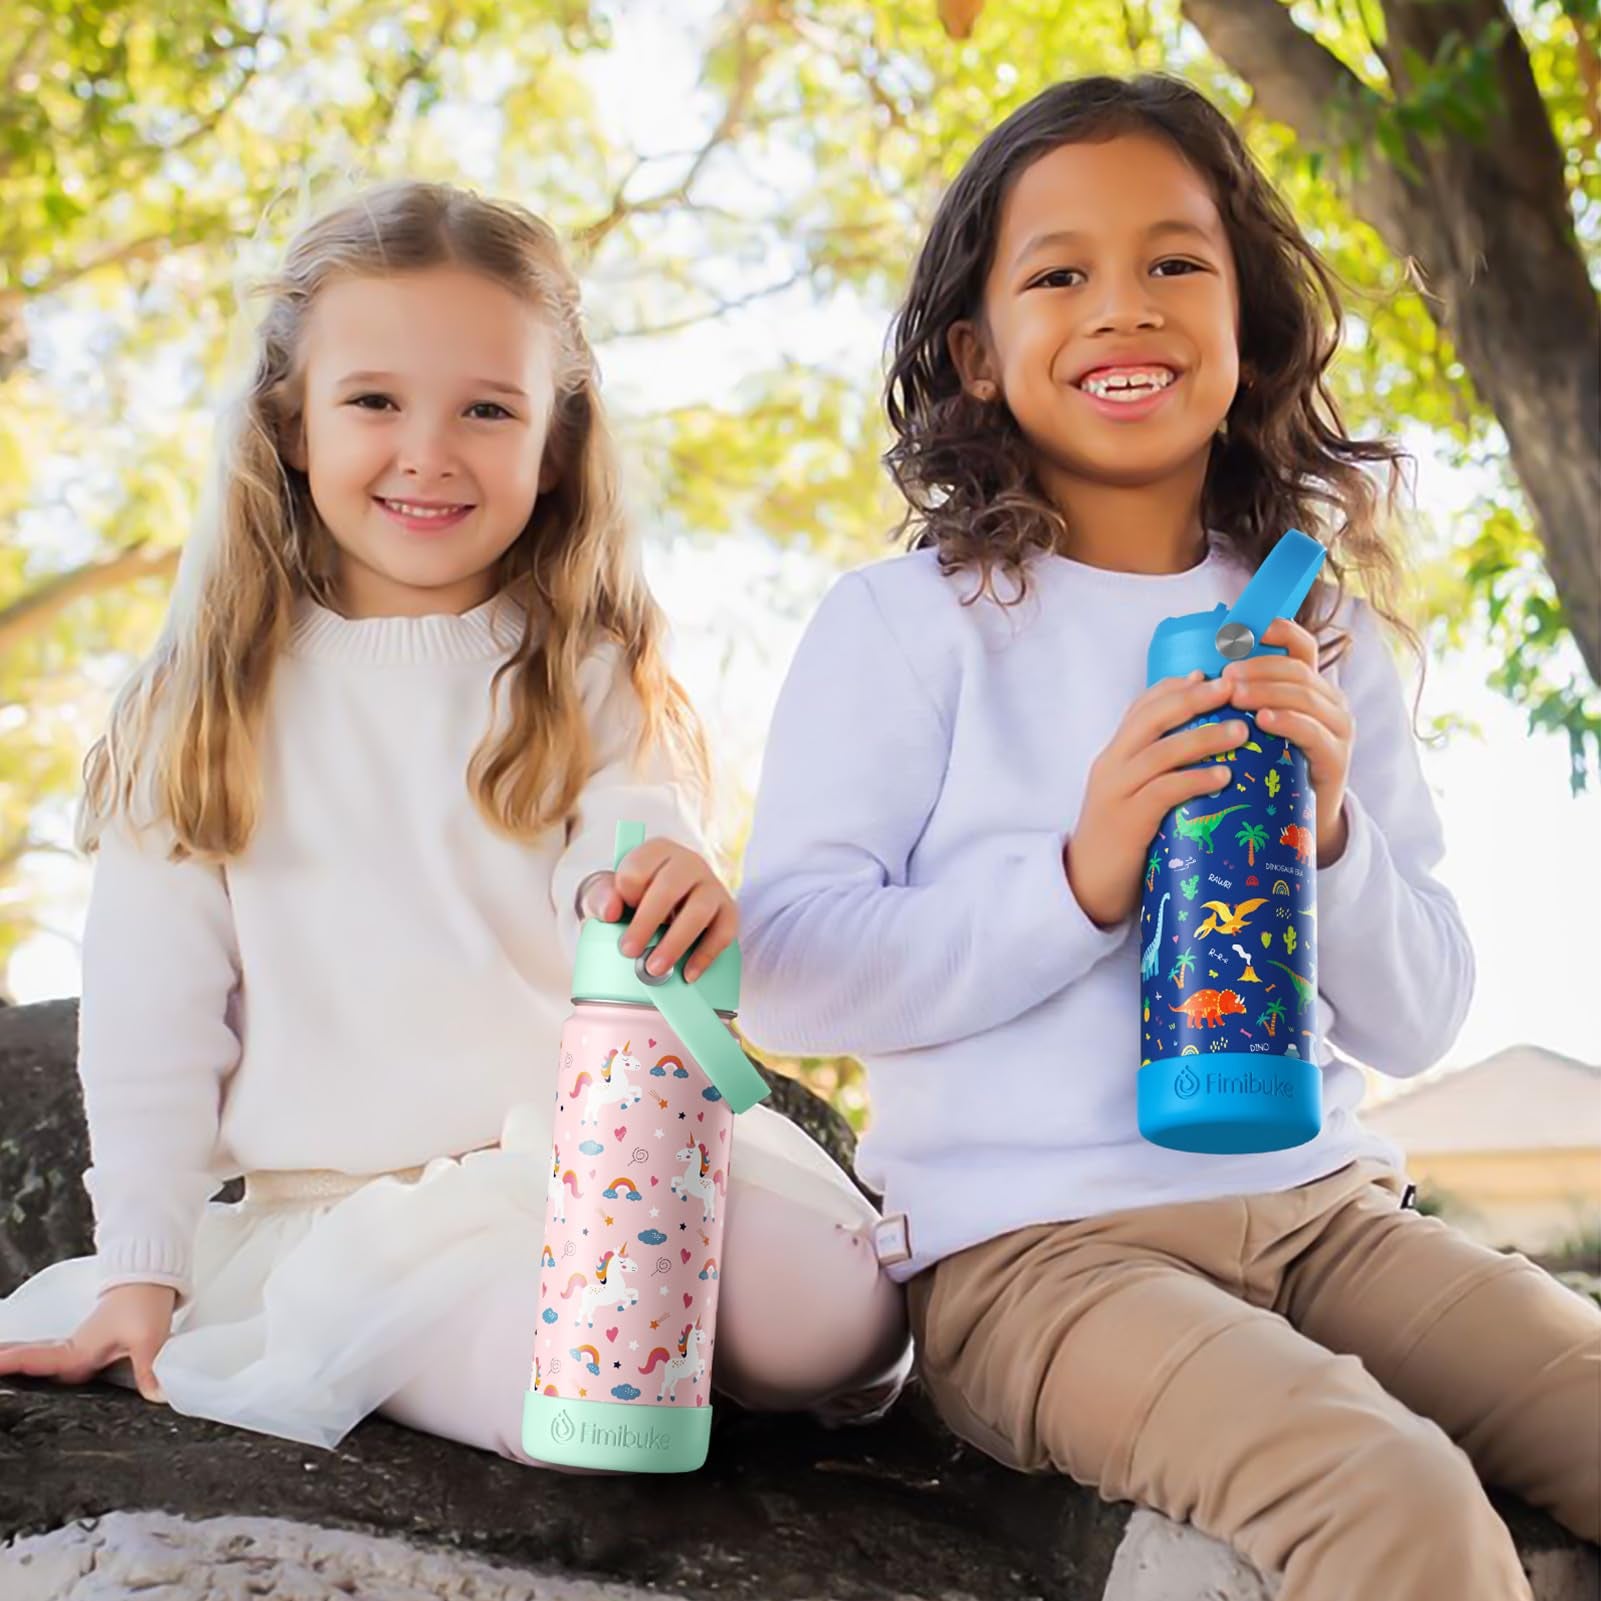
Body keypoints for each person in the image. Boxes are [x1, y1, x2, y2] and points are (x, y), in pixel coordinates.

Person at [735, 75, 1598, 1600]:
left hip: (1328, 1216)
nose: (1121, 307)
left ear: (1247, 325)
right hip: (1035, 1250)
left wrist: (1330, 837)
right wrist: (1080, 876)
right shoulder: (910, 624)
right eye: (1058, 274)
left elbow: (1421, 1016)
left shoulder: (1314, 627)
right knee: (1388, 1494)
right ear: (975, 354)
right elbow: (789, 972)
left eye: (1175, 263)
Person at [0, 180, 908, 1459]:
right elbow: (152, 1021)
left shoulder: (580, 666)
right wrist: (141, 1271)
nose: (428, 451)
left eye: (486, 409)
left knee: (834, 1323)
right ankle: (593, 1362)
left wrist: (657, 879)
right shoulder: (203, 703)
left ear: (554, 444)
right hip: (358, 1220)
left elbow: (627, 831)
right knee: (579, 1380)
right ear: (292, 424)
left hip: (598, 1149)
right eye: (374, 400)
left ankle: (672, 1332)